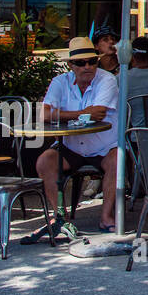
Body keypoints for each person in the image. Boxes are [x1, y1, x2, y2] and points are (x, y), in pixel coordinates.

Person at [25, 37, 120, 240]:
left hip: (103, 144)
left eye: (91, 62)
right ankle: (61, 217)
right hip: (72, 145)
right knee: (44, 162)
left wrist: (63, 113)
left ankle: (106, 216)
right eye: (80, 63)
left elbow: (99, 113)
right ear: (71, 65)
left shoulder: (107, 80)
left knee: (117, 160)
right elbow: (44, 114)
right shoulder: (60, 82)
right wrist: (81, 113)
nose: (87, 67)